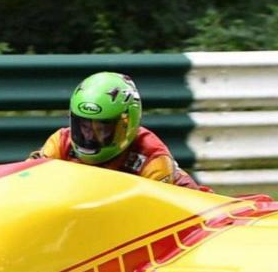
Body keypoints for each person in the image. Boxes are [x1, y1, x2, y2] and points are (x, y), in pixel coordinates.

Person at [29, 71, 206, 190]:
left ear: (126, 126)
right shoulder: (60, 142)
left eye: (102, 128)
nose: (90, 136)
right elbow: (28, 182)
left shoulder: (152, 161)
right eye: (84, 126)